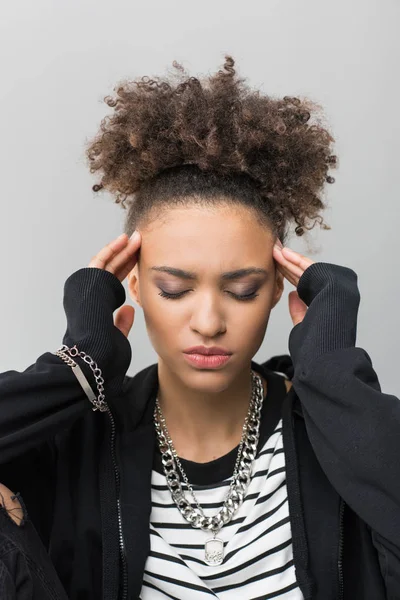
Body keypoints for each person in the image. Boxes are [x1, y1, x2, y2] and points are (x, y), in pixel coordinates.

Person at [0, 55, 399, 600]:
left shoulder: (333, 436)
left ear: (280, 289)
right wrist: (81, 364)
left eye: (242, 290)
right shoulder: (79, 443)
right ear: (134, 287)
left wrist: (331, 375)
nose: (209, 322)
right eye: (174, 289)